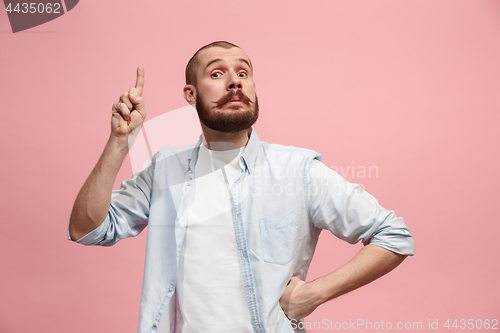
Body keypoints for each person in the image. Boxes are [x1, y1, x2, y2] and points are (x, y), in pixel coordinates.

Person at [68, 41, 414, 333]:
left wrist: (315, 294)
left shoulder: (297, 171)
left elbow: (393, 235)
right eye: (217, 74)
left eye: (243, 73)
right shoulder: (165, 170)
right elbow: (87, 229)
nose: (235, 82)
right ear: (190, 94)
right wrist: (119, 143)